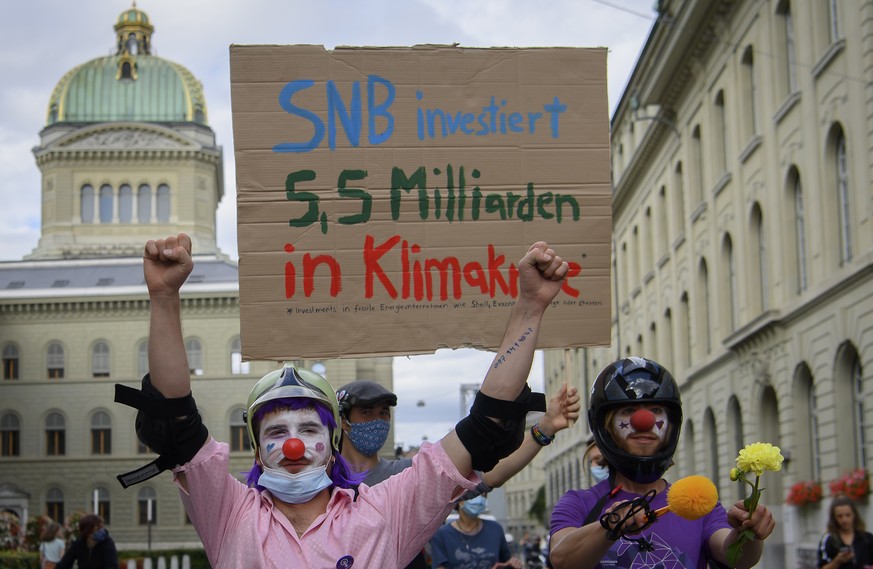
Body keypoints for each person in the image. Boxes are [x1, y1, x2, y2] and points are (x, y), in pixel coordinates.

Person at [120, 233, 568, 568]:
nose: (293, 444)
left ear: (334, 441)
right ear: (257, 449)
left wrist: (529, 308)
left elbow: (485, 428)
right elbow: (176, 422)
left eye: (309, 428)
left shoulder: (385, 511)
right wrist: (164, 299)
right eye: (276, 431)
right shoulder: (228, 513)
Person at [548, 357, 776, 569]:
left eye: (656, 410)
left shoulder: (697, 502)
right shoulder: (578, 503)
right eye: (628, 411)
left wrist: (748, 531)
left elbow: (736, 556)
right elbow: (561, 559)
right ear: (605, 426)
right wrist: (610, 525)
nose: (644, 422)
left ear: (672, 425)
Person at [336, 379, 580, 569]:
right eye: (367, 413)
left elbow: (491, 476)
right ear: (344, 421)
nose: (378, 422)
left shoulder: (406, 475)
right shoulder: (320, 483)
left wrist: (544, 430)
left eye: (384, 413)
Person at [430, 495, 522, 568]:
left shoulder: (495, 529)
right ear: (458, 499)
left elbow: (506, 561)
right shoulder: (441, 535)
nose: (479, 498)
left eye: (482, 494)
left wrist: (514, 564)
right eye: (473, 494)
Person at [817, 494, 873, 569]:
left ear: (854, 515)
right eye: (840, 516)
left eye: (848, 515)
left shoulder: (867, 538)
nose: (844, 520)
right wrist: (837, 561)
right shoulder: (828, 540)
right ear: (834, 518)